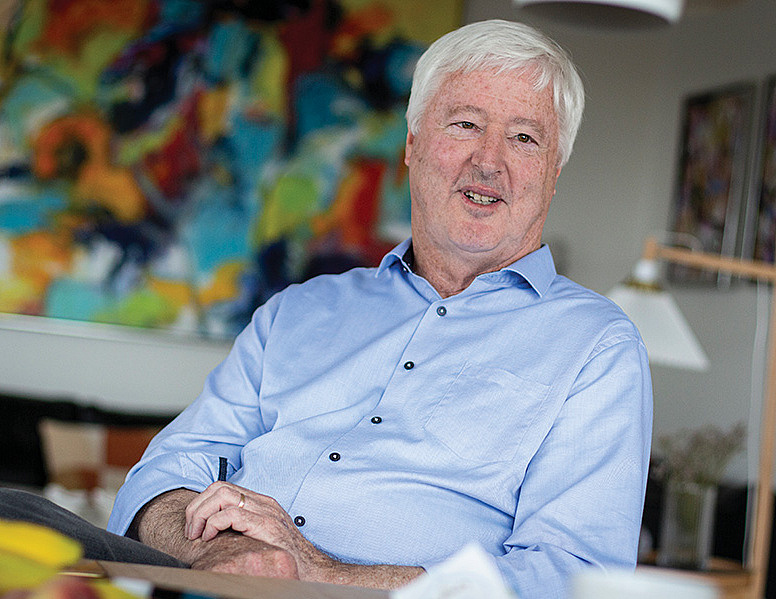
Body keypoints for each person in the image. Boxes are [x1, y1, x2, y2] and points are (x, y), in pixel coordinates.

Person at [1, 19, 652, 599]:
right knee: (14, 514)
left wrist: (316, 570)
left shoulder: (596, 347)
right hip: (206, 580)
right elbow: (165, 472)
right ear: (412, 144)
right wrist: (224, 556)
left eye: (524, 138)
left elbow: (570, 578)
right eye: (465, 124)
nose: (489, 161)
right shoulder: (300, 310)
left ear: (554, 171)